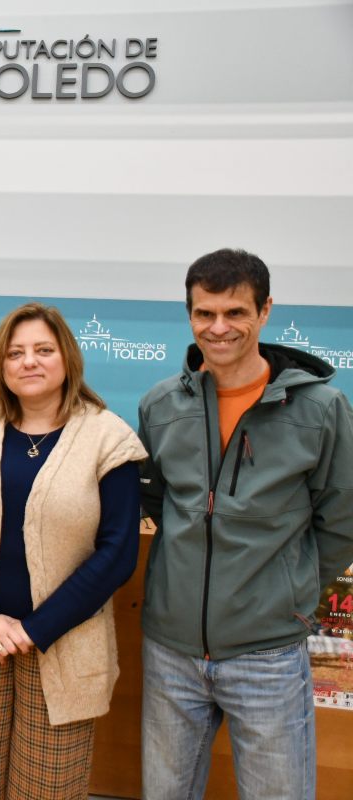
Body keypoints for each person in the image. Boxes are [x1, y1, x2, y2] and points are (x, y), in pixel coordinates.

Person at [138, 249, 353, 800]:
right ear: (189, 315)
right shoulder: (160, 405)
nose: (219, 327)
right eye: (204, 313)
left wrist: (290, 594)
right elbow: (158, 505)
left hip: (268, 656)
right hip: (171, 653)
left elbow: (342, 519)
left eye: (235, 312)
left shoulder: (322, 410)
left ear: (265, 312)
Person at [0, 302, 145, 799]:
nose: (30, 361)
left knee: (47, 792)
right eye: (16, 352)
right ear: (1, 364)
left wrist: (34, 629)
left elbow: (118, 554)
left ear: (67, 357)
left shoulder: (108, 437)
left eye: (44, 350)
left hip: (63, 651)